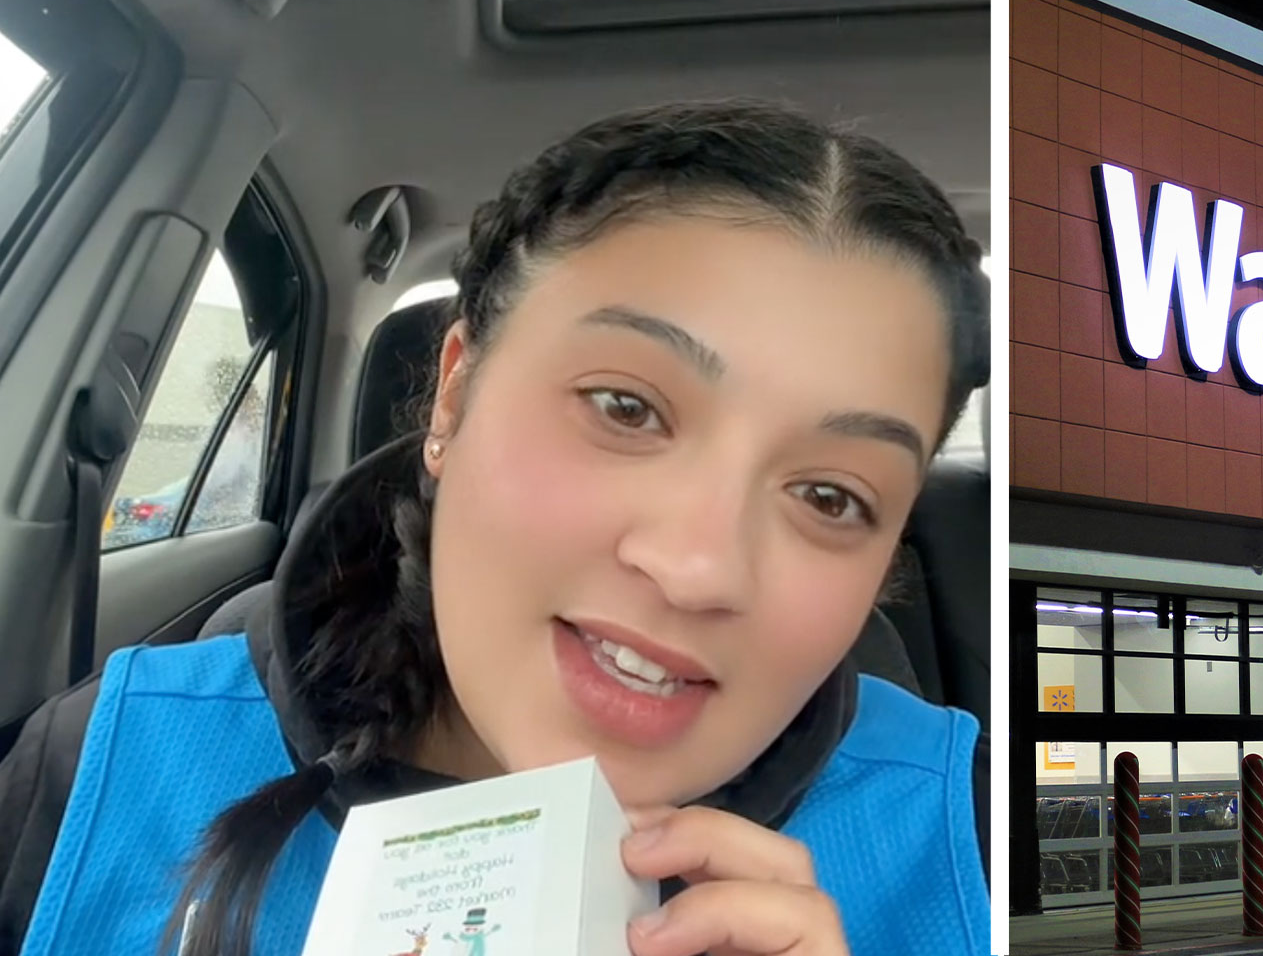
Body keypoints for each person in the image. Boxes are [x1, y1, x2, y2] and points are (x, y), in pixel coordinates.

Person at [0, 102, 990, 956]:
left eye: (831, 497)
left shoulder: (978, 833)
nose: (696, 567)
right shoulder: (103, 762)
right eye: (624, 407)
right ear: (454, 392)